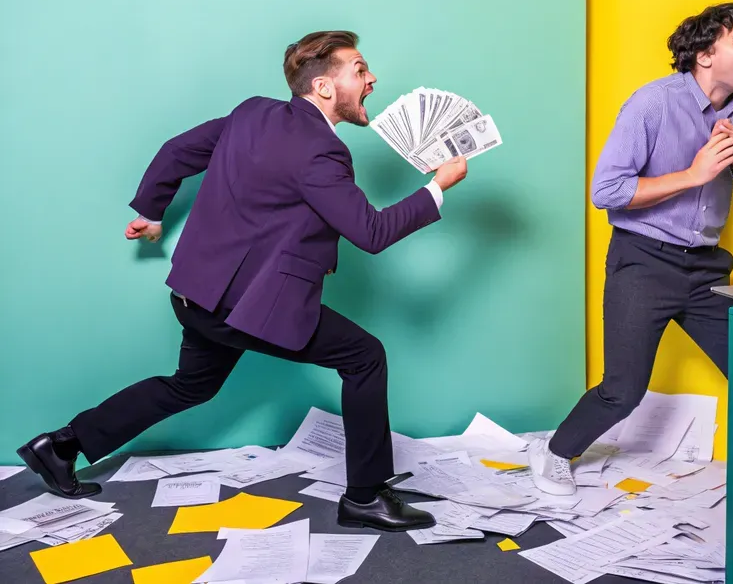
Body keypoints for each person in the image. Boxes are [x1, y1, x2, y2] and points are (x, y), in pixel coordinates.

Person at [17, 30, 468, 531]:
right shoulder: (322, 153)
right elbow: (372, 232)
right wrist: (437, 188)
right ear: (322, 86)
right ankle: (364, 497)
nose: (372, 78)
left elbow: (175, 151)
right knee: (364, 358)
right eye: (360, 69)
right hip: (248, 306)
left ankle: (59, 446)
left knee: (190, 385)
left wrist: (151, 212)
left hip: (197, 294)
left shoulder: (252, 113)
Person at [528, 3, 733, 495]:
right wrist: (693, 175)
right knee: (623, 392)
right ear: (706, 55)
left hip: (708, 270)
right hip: (642, 261)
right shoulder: (653, 104)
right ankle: (557, 451)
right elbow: (605, 191)